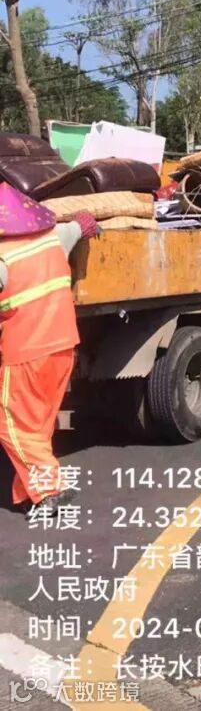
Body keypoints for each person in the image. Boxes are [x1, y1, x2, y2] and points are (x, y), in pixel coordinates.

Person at [0, 182, 98, 516]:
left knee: (9, 422)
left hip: (25, 352)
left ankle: (51, 491)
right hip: (62, 346)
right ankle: (30, 491)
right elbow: (83, 224)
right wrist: (85, 223)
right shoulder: (54, 236)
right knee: (37, 425)